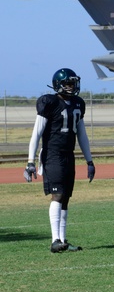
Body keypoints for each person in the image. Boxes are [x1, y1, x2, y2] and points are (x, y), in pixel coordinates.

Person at [24, 68, 96, 253]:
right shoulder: (49, 102)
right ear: (58, 85)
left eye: (73, 83)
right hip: (52, 154)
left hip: (68, 154)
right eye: (68, 84)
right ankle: (55, 240)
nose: (71, 87)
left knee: (65, 198)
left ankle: (63, 240)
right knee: (57, 195)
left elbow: (82, 134)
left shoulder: (78, 103)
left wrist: (89, 161)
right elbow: (36, 133)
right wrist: (30, 161)